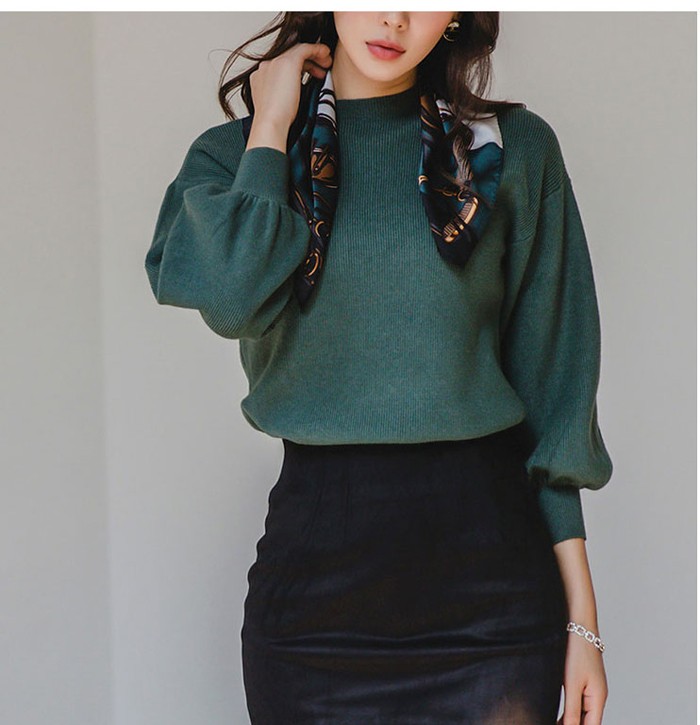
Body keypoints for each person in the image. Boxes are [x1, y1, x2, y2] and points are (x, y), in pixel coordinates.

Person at [144, 11, 613, 725]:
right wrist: (271, 125)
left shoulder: (508, 151)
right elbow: (233, 300)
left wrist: (583, 623)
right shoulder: (234, 159)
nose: (395, 16)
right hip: (314, 604)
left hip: (492, 595)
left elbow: (556, 391)